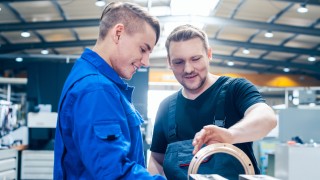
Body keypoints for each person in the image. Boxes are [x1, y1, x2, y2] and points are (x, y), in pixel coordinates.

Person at [148, 24, 277, 180]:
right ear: (169, 62)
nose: (188, 69)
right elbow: (157, 159)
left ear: (209, 54)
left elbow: (267, 118)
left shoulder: (235, 89)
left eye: (195, 59)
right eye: (179, 62)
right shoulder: (166, 107)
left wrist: (230, 135)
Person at [54, 2, 165, 179]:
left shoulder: (94, 81)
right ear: (118, 33)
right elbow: (113, 173)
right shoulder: (96, 89)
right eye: (143, 49)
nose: (146, 62)